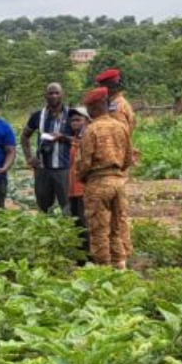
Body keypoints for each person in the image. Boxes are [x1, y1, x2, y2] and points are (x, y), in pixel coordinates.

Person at [75, 87, 133, 268]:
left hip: (98, 182)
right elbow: (128, 158)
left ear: (95, 106)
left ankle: (103, 269)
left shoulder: (91, 130)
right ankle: (120, 266)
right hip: (119, 182)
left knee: (99, 228)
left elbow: (84, 163)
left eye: (89, 108)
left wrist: (81, 177)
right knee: (117, 226)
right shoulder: (121, 127)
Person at [21, 83, 74, 214]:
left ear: (62, 95)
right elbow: (24, 136)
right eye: (50, 93)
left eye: (57, 93)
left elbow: (81, 139)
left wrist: (63, 137)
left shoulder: (71, 115)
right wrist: (29, 158)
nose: (54, 96)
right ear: (45, 96)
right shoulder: (38, 116)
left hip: (64, 168)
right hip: (42, 169)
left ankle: (67, 227)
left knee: (68, 208)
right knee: (44, 208)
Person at [66, 106, 91, 261]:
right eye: (73, 120)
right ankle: (81, 258)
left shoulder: (88, 137)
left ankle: (89, 258)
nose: (74, 123)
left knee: (84, 223)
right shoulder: (74, 138)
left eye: (78, 120)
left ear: (87, 121)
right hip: (73, 189)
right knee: (77, 223)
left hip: (83, 189)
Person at [94, 68, 136, 134]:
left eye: (101, 86)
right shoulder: (112, 102)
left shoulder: (118, 106)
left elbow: (117, 132)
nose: (98, 89)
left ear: (109, 87)